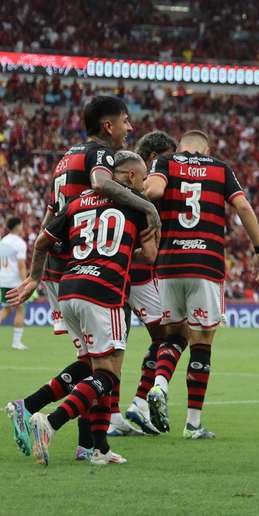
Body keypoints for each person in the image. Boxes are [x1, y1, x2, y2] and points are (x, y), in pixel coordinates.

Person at [5, 97, 160, 462]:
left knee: (92, 363)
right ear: (108, 126)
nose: (129, 129)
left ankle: (76, 435)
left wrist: (35, 275)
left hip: (67, 262)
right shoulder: (100, 158)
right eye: (125, 121)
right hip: (94, 265)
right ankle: (73, 434)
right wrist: (146, 205)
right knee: (107, 364)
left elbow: (50, 216)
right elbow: (102, 185)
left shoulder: (65, 158)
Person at [144, 130, 259, 438]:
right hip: (206, 263)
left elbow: (155, 192)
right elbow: (243, 207)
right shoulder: (219, 167)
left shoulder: (165, 161)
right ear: (206, 148)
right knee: (202, 342)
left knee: (173, 335)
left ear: (181, 146)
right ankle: (193, 423)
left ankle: (159, 384)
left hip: (170, 263)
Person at [111, 130, 179, 437]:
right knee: (168, 338)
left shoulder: (118, 189)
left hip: (112, 276)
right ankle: (138, 404)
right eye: (167, 157)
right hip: (136, 276)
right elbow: (148, 254)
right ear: (153, 157)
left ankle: (114, 416)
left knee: (112, 347)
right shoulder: (142, 192)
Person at [0, 217, 28, 350]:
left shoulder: (3, 241)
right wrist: (25, 283)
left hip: (3, 279)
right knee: (20, 309)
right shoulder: (19, 243)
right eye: (21, 224)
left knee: (6, 309)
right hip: (15, 281)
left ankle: (17, 342)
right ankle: (16, 342)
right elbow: (21, 265)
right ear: (17, 226)